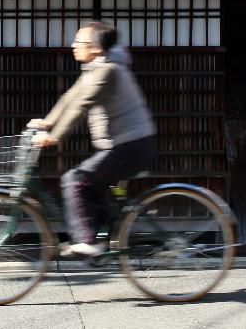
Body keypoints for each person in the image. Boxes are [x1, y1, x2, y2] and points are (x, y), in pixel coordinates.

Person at [29, 21, 157, 258]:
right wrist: (47, 122)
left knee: (75, 181)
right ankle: (102, 240)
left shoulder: (107, 70)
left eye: (79, 41)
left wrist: (55, 137)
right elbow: (71, 97)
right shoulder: (95, 68)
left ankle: (86, 241)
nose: (73, 45)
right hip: (123, 144)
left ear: (96, 48)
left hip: (130, 146)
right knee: (91, 186)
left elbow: (82, 105)